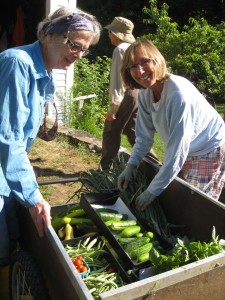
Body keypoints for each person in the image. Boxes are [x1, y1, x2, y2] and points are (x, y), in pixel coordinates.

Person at [0, 6, 101, 267]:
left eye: (84, 50)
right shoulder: (17, 63)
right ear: (48, 34)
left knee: (12, 240)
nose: (79, 55)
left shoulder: (46, 74)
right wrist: (34, 198)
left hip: (6, 172)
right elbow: (8, 139)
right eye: (74, 45)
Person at [118, 39, 225, 211]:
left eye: (145, 62)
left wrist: (151, 192)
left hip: (208, 147)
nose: (139, 71)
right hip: (186, 146)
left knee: (196, 204)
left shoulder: (177, 95)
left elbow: (177, 151)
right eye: (132, 66)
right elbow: (144, 138)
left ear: (157, 61)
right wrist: (131, 165)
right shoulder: (146, 93)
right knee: (178, 193)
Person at [99, 16, 139, 170]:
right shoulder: (134, 48)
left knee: (110, 132)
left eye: (110, 32)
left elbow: (118, 82)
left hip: (126, 96)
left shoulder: (120, 50)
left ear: (116, 34)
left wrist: (112, 110)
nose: (109, 35)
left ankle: (105, 170)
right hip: (138, 95)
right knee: (135, 134)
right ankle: (153, 166)